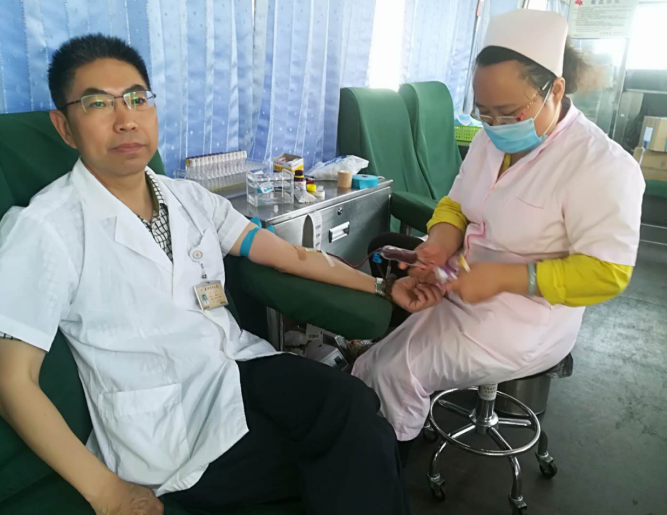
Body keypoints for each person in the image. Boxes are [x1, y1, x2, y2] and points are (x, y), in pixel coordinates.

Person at [0, 34, 444, 515]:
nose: (125, 118)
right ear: (64, 127)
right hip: (171, 425)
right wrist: (107, 492)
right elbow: (12, 382)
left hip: (238, 367)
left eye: (137, 98)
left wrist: (381, 285)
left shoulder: (189, 198)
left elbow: (287, 256)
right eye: (97, 103)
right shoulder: (44, 228)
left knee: (352, 404)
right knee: (357, 454)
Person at [353, 9, 645, 462]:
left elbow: (607, 272)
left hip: (524, 320)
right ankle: (371, 436)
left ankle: (382, 473)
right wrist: (440, 243)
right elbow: (457, 204)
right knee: (375, 362)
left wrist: (505, 277)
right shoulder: (490, 139)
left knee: (392, 370)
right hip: (462, 284)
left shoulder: (602, 166)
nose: (495, 126)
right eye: (484, 112)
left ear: (556, 90)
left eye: (509, 113)